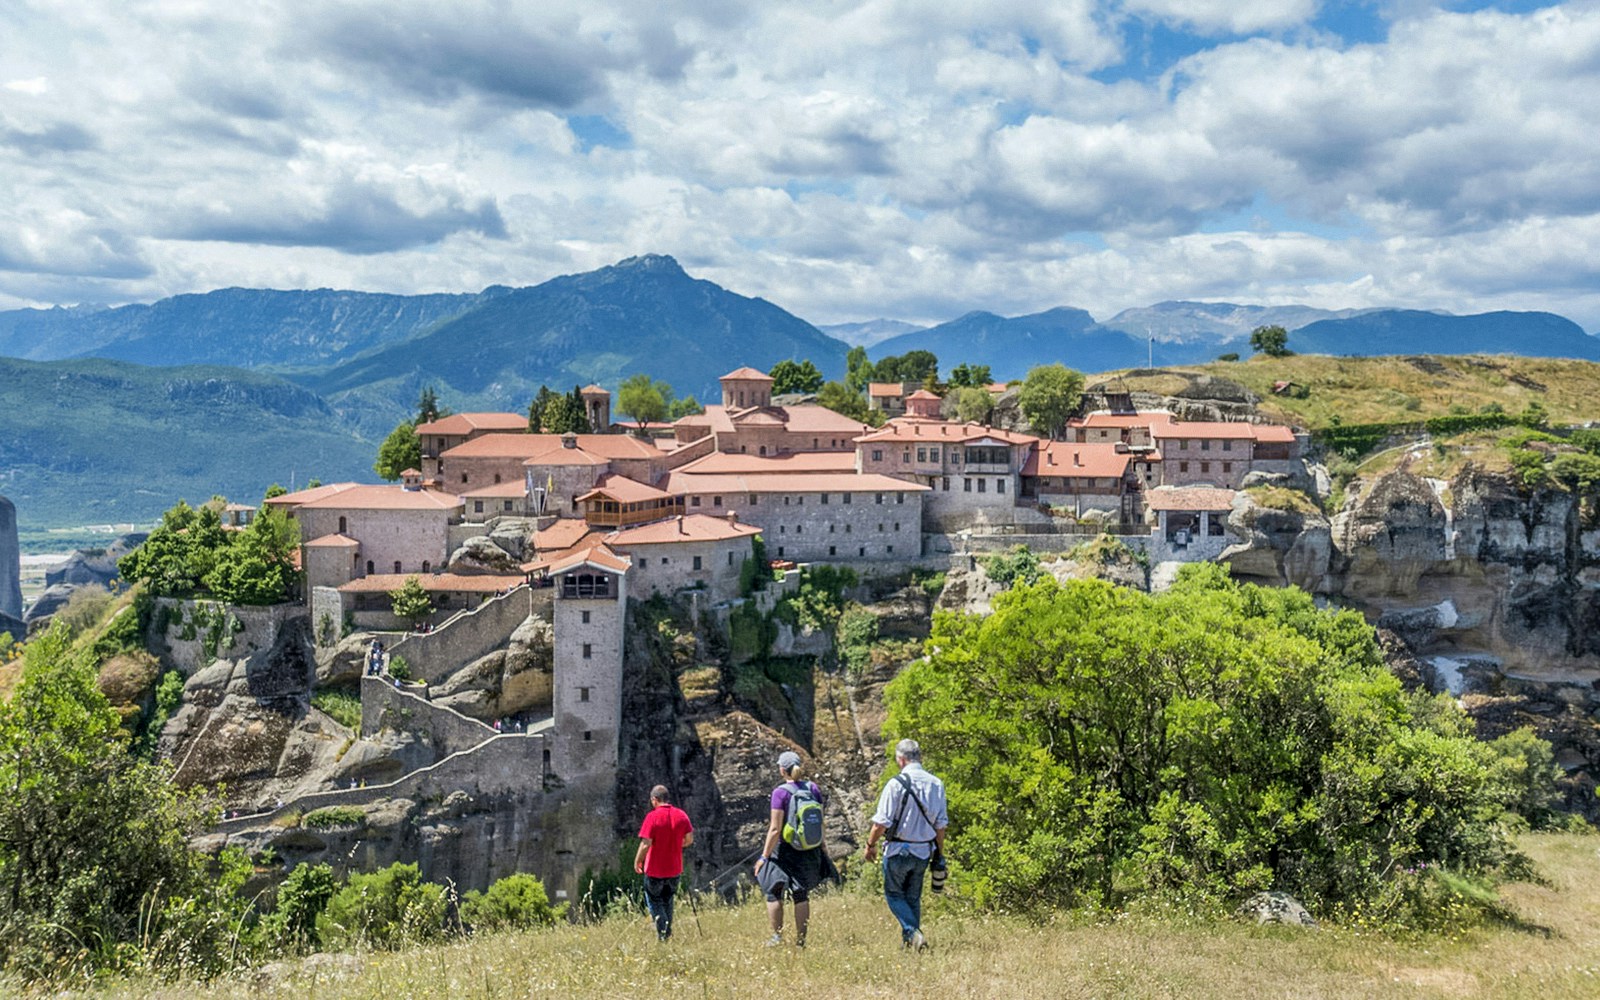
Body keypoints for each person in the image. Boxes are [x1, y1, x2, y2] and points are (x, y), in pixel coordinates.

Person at [864, 738, 948, 952]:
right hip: (923, 852)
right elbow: (941, 825)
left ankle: (913, 932)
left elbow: (881, 822)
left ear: (901, 760)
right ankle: (909, 943)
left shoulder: (895, 784)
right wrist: (940, 853)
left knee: (893, 894)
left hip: (898, 850)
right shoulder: (936, 784)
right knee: (912, 897)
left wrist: (870, 844)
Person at [756, 750, 827, 947]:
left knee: (773, 890)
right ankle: (801, 941)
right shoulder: (814, 789)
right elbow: (821, 822)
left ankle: (777, 937)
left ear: (782, 770)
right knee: (801, 893)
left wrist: (764, 856)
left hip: (785, 849)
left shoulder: (780, 793)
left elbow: (775, 828)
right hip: (809, 848)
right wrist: (823, 847)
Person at [634, 784, 694, 941]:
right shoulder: (681, 815)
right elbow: (689, 840)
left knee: (655, 902)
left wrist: (638, 861)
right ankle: (667, 931)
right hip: (674, 869)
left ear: (655, 799)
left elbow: (646, 843)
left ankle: (664, 935)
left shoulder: (652, 817)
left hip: (655, 870)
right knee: (667, 900)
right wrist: (673, 844)